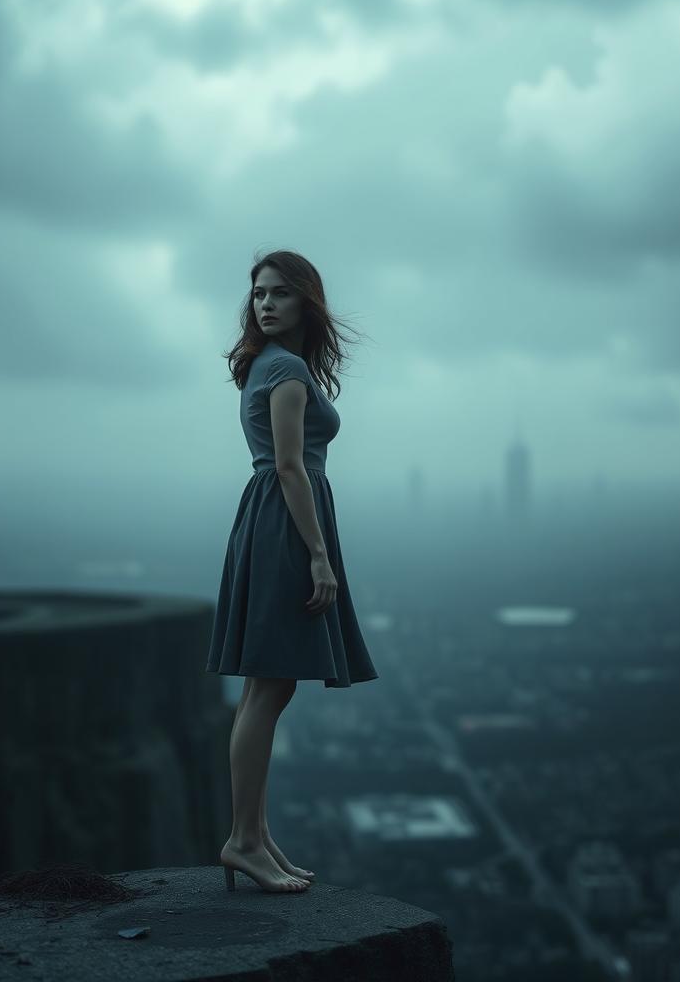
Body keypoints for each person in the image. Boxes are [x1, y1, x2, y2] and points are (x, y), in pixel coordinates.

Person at [206, 249, 379, 894]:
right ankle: (245, 840)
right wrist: (317, 555)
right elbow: (287, 465)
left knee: (264, 688)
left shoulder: (271, 366)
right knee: (271, 688)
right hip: (284, 523)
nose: (265, 304)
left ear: (308, 299)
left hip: (267, 520)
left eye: (279, 293)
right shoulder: (283, 370)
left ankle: (255, 835)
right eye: (258, 294)